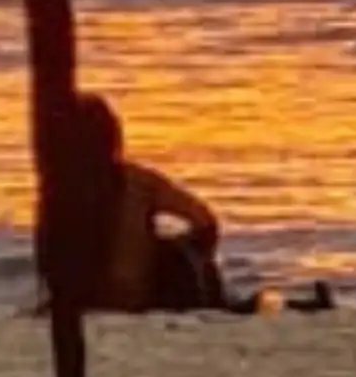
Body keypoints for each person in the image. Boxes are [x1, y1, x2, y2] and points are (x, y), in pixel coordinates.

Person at [38, 92, 233, 315]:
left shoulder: (57, 189)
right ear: (113, 137)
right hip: (130, 296)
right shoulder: (139, 182)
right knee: (175, 251)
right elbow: (205, 222)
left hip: (77, 298)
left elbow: (47, 258)